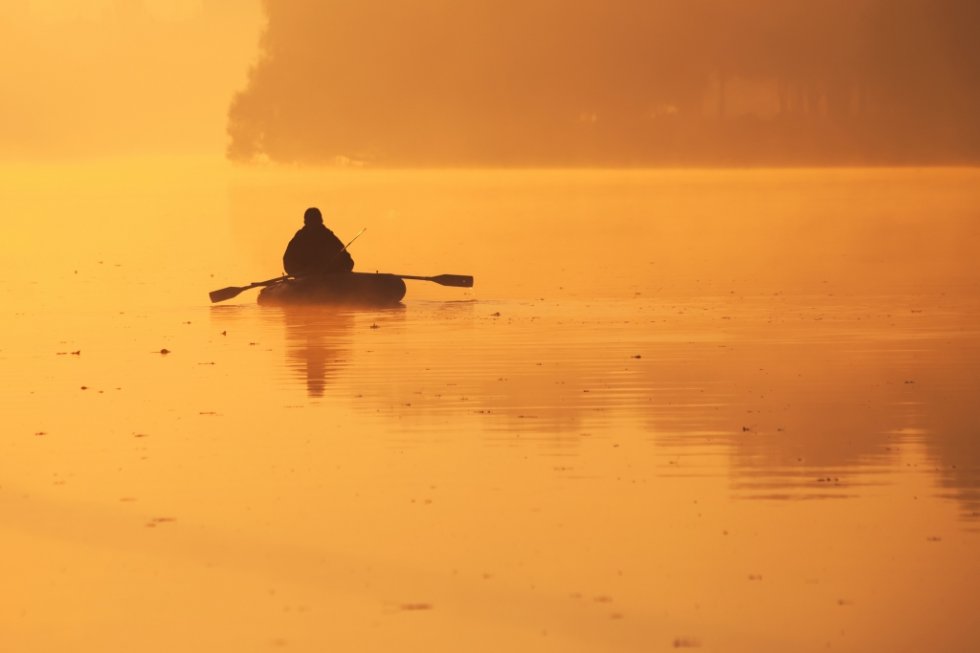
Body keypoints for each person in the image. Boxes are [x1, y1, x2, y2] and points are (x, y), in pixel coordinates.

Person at [283, 207, 355, 276]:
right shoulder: (299, 239)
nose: (313, 224)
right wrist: (303, 271)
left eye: (315, 221)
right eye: (311, 221)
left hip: (329, 280)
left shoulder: (329, 238)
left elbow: (348, 262)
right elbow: (288, 261)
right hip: (304, 280)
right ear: (306, 222)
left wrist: (334, 269)